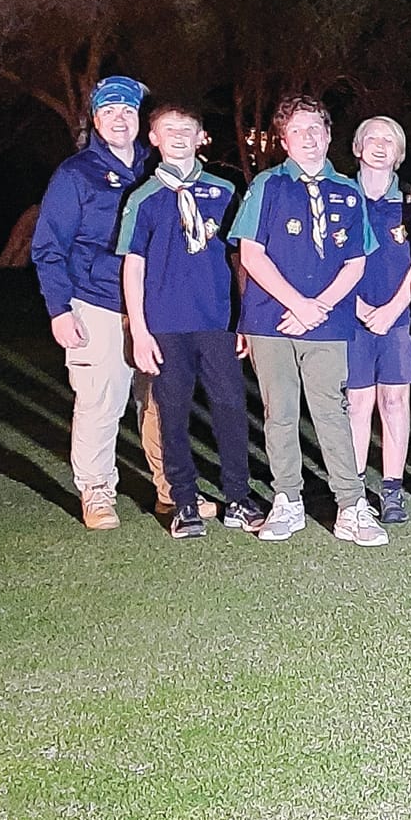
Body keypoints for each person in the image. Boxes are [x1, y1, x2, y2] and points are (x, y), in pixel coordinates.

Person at [230, 95, 382, 546]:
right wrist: (297, 303)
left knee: (331, 410)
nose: (309, 138)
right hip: (271, 319)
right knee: (280, 411)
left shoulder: (349, 192)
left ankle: (351, 505)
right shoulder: (267, 186)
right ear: (284, 139)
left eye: (316, 128)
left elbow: (355, 262)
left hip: (328, 322)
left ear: (330, 134)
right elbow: (251, 254)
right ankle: (288, 499)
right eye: (298, 131)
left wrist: (319, 307)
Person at [116, 98, 264, 538]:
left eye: (188, 129)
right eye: (168, 129)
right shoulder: (142, 198)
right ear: (153, 138)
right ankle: (183, 501)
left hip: (217, 320)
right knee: (172, 412)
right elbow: (134, 265)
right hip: (164, 325)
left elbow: (242, 259)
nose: (179, 136)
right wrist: (139, 331)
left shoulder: (224, 191)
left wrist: (245, 320)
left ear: (202, 138)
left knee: (231, 409)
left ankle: (237, 496)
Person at [30, 74, 173, 530]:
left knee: (161, 402)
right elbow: (48, 245)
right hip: (96, 302)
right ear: (95, 119)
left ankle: (173, 493)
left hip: (154, 308)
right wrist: (59, 308)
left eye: (127, 111)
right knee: (100, 401)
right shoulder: (76, 174)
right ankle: (96, 492)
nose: (119, 119)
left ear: (140, 121)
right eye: (109, 111)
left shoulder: (160, 168)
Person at [346, 116, 411, 529]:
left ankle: (391, 488)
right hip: (351, 318)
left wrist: (395, 307)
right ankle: (355, 489)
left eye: (389, 140)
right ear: (357, 147)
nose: (380, 145)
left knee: (394, 402)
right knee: (358, 403)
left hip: (394, 319)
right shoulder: (340, 196)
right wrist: (357, 307)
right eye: (372, 138)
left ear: (399, 153)